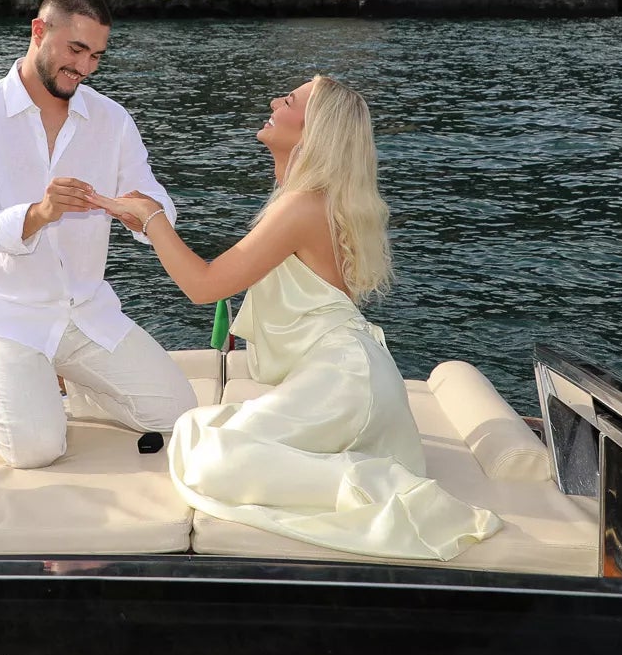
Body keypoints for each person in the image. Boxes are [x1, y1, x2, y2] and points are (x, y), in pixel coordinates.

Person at [89, 75, 501, 561]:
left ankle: (381, 490)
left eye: (286, 101)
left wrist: (153, 219)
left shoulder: (304, 206)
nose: (271, 101)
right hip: (346, 377)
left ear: (313, 132)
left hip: (345, 382)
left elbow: (204, 286)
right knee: (199, 429)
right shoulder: (304, 198)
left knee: (207, 457)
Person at [0, 0, 197, 468]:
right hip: (3, 314)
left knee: (178, 413)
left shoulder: (112, 120)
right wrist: (39, 213)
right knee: (36, 450)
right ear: (39, 31)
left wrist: (139, 207)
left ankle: (67, 380)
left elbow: (157, 199)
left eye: (97, 55)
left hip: (84, 312)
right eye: (76, 49)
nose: (85, 68)